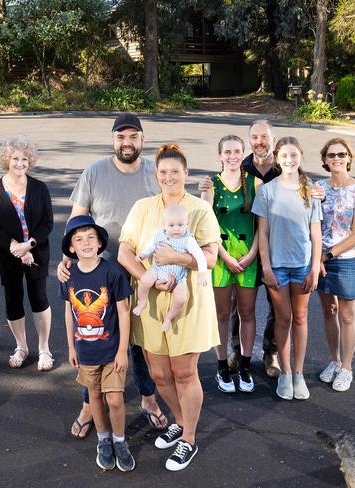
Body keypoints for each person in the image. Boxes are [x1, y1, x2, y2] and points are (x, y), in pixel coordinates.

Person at [58, 113, 167, 439]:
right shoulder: (95, 172)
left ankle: (148, 397)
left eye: (133, 136)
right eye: (121, 137)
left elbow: (173, 210)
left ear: (142, 140)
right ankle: (90, 404)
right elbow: (78, 217)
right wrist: (67, 257)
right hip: (103, 272)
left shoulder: (154, 171)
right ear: (114, 140)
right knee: (97, 341)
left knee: (140, 343)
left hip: (146, 270)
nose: (127, 142)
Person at [119, 143, 220, 471]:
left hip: (186, 302)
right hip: (150, 305)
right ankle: (179, 420)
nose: (169, 177)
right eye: (163, 172)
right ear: (156, 174)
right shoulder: (143, 207)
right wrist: (149, 275)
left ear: (186, 173)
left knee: (184, 371)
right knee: (159, 373)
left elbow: (211, 258)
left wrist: (176, 259)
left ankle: (188, 439)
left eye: (175, 171)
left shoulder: (200, 210)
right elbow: (126, 253)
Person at [60, 215, 135, 472]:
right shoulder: (69, 274)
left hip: (112, 351)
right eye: (79, 239)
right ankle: (103, 440)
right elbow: (69, 311)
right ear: (71, 247)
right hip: (86, 351)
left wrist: (123, 349)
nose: (86, 243)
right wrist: (71, 347)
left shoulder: (112, 272)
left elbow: (124, 312)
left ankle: (119, 440)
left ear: (100, 242)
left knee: (114, 399)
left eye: (91, 237)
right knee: (94, 397)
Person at [252, 136, 322, 401]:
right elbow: (263, 233)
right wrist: (266, 267)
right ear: (277, 158)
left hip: (303, 266)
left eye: (293, 155)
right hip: (277, 268)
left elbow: (316, 235)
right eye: (284, 156)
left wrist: (315, 268)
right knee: (283, 319)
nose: (289, 160)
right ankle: (285, 372)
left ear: (300, 156)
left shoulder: (311, 190)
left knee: (301, 318)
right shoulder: (267, 191)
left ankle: (299, 373)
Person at [0, 136, 54, 370]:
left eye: (24, 159)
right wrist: (15, 247)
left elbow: (47, 224)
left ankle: (44, 349)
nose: (20, 163)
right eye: (15, 158)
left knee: (39, 299)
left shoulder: (39, 188)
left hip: (36, 254)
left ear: (30, 161)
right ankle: (21, 347)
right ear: (6, 160)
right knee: (13, 301)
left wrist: (29, 245)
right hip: (8, 255)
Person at [201, 135, 261, 394]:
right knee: (222, 315)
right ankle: (222, 365)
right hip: (221, 259)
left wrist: (251, 255)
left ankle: (246, 364)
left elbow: (262, 225)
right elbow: (206, 227)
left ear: (243, 153)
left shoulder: (255, 183)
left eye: (237, 151)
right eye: (227, 152)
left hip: (248, 258)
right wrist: (225, 257)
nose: (233, 156)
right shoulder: (211, 184)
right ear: (220, 155)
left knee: (247, 313)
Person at [315, 138, 355, 392]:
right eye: (331, 155)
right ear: (325, 160)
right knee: (329, 311)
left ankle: (347, 367)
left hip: (346, 260)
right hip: (321, 260)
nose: (336, 158)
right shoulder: (318, 188)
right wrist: (317, 257)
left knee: (347, 314)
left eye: (341, 154)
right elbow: (311, 223)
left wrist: (326, 255)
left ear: (349, 157)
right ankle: (334, 361)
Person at [133, 204, 209, 332]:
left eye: (180, 225)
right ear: (164, 225)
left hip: (178, 275)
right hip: (158, 268)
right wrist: (143, 255)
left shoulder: (188, 239)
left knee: (181, 299)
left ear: (187, 225)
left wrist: (202, 273)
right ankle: (142, 302)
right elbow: (150, 246)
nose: (176, 229)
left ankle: (169, 317)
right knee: (145, 280)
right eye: (171, 225)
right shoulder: (159, 234)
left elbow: (200, 256)